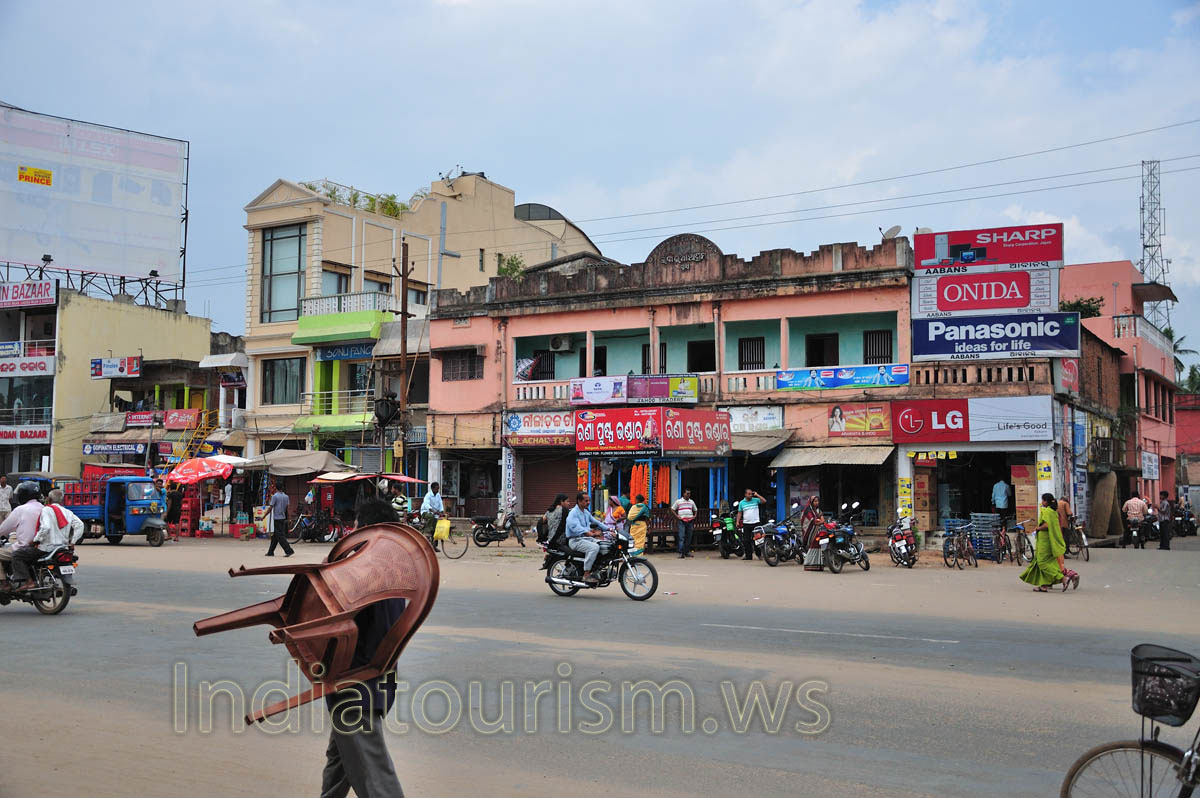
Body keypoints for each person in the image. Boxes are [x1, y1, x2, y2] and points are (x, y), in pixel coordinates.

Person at [321, 498, 406, 798]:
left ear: (365, 529)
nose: (351, 528)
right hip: (375, 683)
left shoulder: (364, 575)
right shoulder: (394, 572)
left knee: (375, 777)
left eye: (356, 522)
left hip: (357, 686)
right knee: (339, 761)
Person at [1019, 493, 1076, 591]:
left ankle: (1063, 578)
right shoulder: (1054, 512)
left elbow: (1047, 525)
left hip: (1045, 542)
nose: (1042, 502)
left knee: (1042, 563)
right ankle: (1044, 585)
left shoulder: (1047, 511)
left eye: (1043, 500)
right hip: (1051, 541)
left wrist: (1038, 528)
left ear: (1046, 501)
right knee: (1047, 562)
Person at [0, 482, 46, 592]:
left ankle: (4, 583)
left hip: (26, 547)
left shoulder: (21, 510)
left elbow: (4, 529)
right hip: (43, 546)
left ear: (23, 495)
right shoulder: (45, 508)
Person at [565, 492, 607, 584]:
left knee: (604, 545)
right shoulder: (573, 513)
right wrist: (588, 532)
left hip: (585, 539)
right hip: (575, 540)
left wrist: (609, 529)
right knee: (594, 548)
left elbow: (596, 522)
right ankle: (586, 574)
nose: (588, 502)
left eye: (589, 500)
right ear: (579, 501)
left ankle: (596, 569)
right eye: (586, 500)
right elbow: (575, 526)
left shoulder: (585, 512)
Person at [737, 488, 767, 561]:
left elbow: (764, 501)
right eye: (749, 494)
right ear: (745, 495)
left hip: (756, 523)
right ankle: (748, 556)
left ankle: (759, 554)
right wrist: (737, 521)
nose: (750, 495)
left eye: (751, 494)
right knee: (746, 540)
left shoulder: (755, 500)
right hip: (746, 523)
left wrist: (757, 495)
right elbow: (739, 512)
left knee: (757, 540)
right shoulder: (741, 503)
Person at [266, 483, 294, 557]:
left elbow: (270, 507)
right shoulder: (286, 497)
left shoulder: (275, 496)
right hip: (283, 518)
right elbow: (287, 509)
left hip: (277, 518)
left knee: (280, 536)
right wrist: (289, 518)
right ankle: (270, 551)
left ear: (276, 488)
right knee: (275, 536)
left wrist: (264, 516)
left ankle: (288, 550)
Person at [671, 489, 698, 559]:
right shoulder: (678, 501)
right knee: (681, 537)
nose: (689, 495)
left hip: (690, 521)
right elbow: (672, 509)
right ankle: (681, 552)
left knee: (689, 537)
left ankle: (687, 552)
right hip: (682, 521)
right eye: (687, 493)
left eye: (689, 493)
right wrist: (677, 516)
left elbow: (695, 510)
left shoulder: (691, 502)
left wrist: (694, 516)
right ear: (684, 494)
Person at [419, 481, 445, 550]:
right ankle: (428, 530)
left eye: (438, 489)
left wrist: (442, 511)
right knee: (432, 518)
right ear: (433, 489)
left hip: (435, 513)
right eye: (437, 489)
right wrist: (433, 511)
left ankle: (434, 546)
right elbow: (427, 505)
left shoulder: (438, 495)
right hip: (426, 512)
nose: (438, 490)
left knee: (437, 528)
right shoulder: (428, 495)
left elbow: (440, 503)